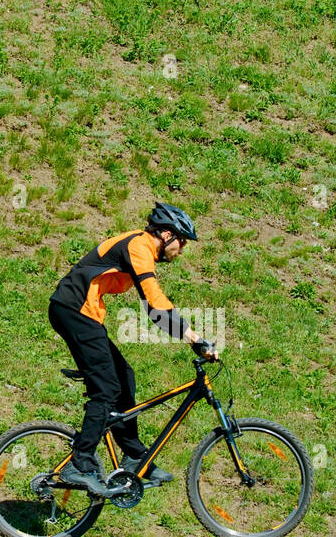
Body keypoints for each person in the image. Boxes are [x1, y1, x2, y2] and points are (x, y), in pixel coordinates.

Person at [48, 202, 219, 497]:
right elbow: (156, 300)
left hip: (81, 314)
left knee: (124, 378)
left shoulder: (140, 249)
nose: (182, 249)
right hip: (73, 311)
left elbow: (153, 312)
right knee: (106, 388)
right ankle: (79, 462)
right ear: (166, 234)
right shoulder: (139, 245)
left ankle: (134, 456)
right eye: (182, 241)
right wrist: (192, 336)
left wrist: (187, 335)